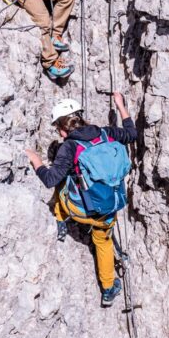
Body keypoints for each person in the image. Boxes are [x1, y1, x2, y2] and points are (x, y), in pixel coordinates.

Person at [24, 93, 137, 306]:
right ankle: (108, 289)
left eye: (58, 128)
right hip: (108, 208)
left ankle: (60, 218)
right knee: (103, 243)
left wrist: (36, 161)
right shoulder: (106, 134)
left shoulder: (69, 146)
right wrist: (120, 106)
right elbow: (132, 134)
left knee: (63, 179)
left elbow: (50, 179)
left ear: (62, 128)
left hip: (79, 211)